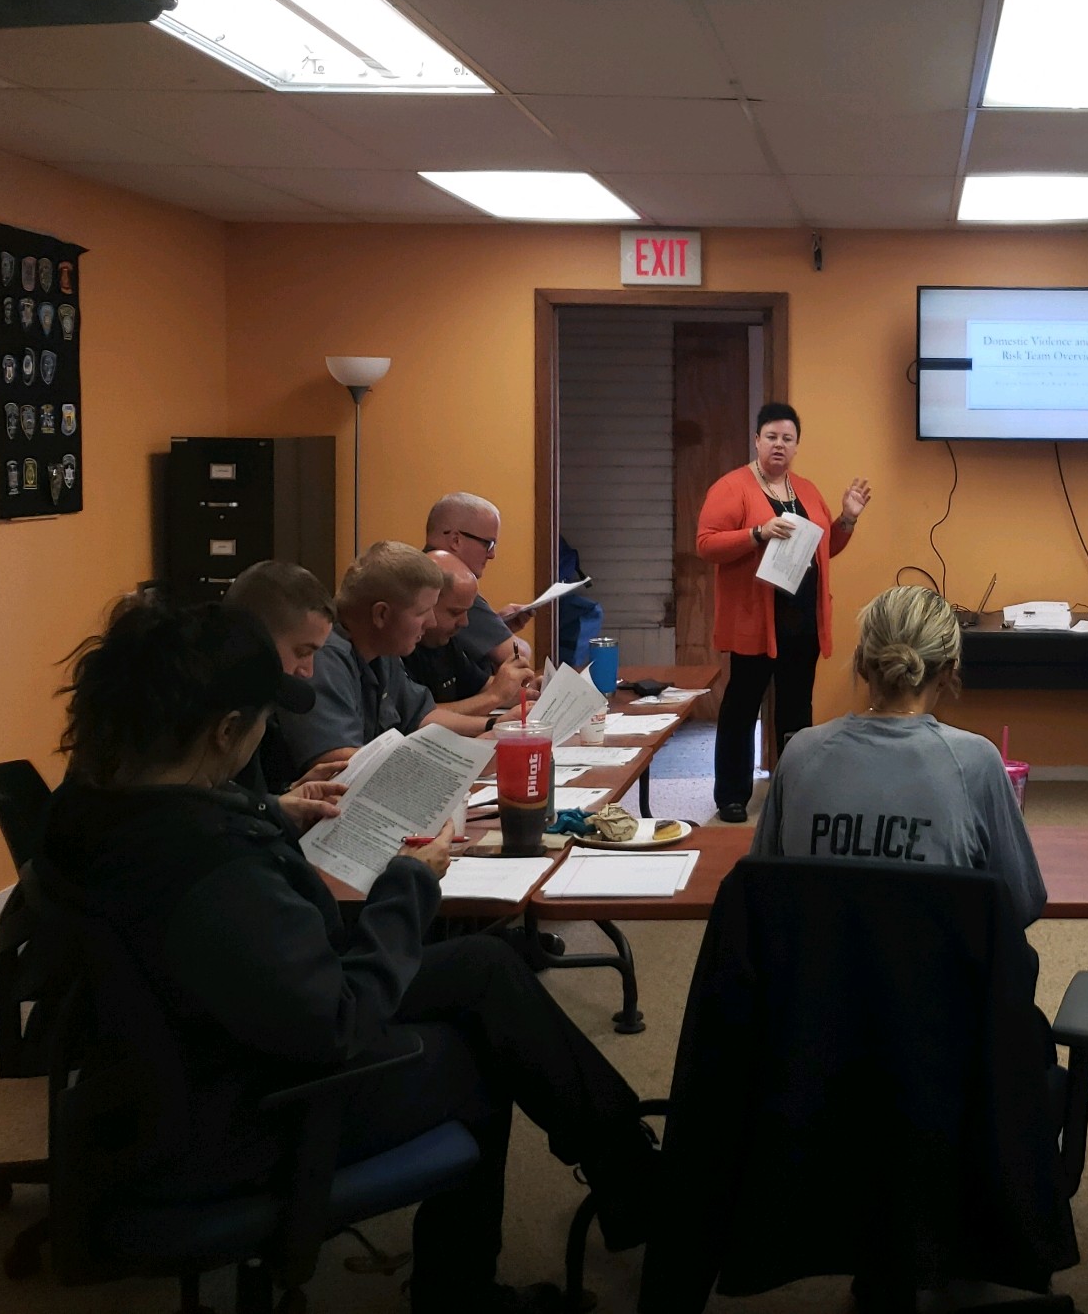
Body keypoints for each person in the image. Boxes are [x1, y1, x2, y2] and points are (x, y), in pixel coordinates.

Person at [39, 599, 660, 1313]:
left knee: (487, 966)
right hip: (239, 1111)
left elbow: (205, 864)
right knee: (477, 1051)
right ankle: (465, 1290)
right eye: (262, 720)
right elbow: (336, 1020)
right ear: (223, 732)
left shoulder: (87, 809)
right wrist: (405, 885)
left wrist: (274, 806)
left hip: (176, 1066)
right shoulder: (214, 874)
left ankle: (630, 1173)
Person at [751, 585, 1044, 925]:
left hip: (812, 975)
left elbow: (762, 891)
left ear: (861, 664)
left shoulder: (800, 754)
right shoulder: (976, 762)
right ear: (948, 673)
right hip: (936, 977)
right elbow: (1024, 902)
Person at [698, 401, 873, 825]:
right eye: (771, 437)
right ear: (757, 440)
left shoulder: (807, 491)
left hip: (802, 621)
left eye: (787, 439)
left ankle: (794, 789)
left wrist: (847, 520)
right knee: (742, 704)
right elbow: (706, 543)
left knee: (797, 708)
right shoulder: (733, 487)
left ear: (797, 446)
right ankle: (733, 795)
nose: (779, 445)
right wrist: (757, 533)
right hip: (756, 621)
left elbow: (824, 549)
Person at [275, 542, 491, 778]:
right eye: (422, 612)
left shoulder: (382, 650)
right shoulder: (323, 658)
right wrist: (458, 763)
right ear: (382, 614)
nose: (431, 622)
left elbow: (421, 716)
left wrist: (493, 728)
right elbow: (337, 760)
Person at [222, 562, 348, 827]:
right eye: (302, 652)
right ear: (255, 639)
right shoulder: (214, 714)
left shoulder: (260, 708)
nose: (308, 672)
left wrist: (283, 799)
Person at [405, 549, 537, 716]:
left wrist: (529, 690)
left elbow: (478, 686)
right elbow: (420, 717)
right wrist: (493, 702)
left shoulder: (445, 642)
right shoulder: (399, 650)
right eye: (455, 612)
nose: (464, 622)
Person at [424, 492, 529, 668]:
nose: (492, 554)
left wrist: (497, 626)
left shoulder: (419, 576)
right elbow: (518, 656)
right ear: (456, 540)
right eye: (488, 544)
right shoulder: (452, 588)